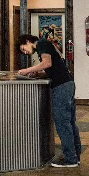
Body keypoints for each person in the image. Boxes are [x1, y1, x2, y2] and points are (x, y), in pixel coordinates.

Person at [18, 34, 81, 168]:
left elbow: (47, 63)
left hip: (61, 87)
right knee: (69, 122)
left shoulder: (41, 43)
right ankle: (75, 156)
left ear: (27, 41)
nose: (25, 52)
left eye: (23, 48)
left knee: (63, 123)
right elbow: (52, 68)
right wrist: (38, 73)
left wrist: (27, 70)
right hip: (68, 84)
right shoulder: (45, 44)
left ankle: (70, 159)